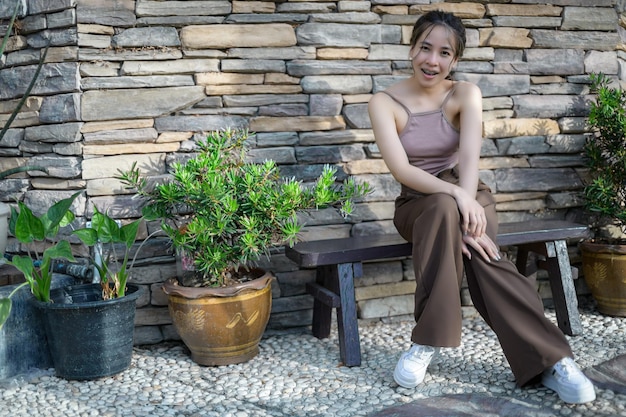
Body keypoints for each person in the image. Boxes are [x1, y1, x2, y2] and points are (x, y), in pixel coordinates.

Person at [367, 10, 596, 404]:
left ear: (454, 60)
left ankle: (548, 360)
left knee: (479, 250)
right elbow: (402, 169)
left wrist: (465, 199)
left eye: (444, 53)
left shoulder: (464, 93)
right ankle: (542, 355)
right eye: (425, 48)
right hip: (417, 205)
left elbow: (469, 157)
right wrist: (457, 199)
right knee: (443, 209)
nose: (432, 61)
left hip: (471, 192)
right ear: (411, 49)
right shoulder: (384, 102)